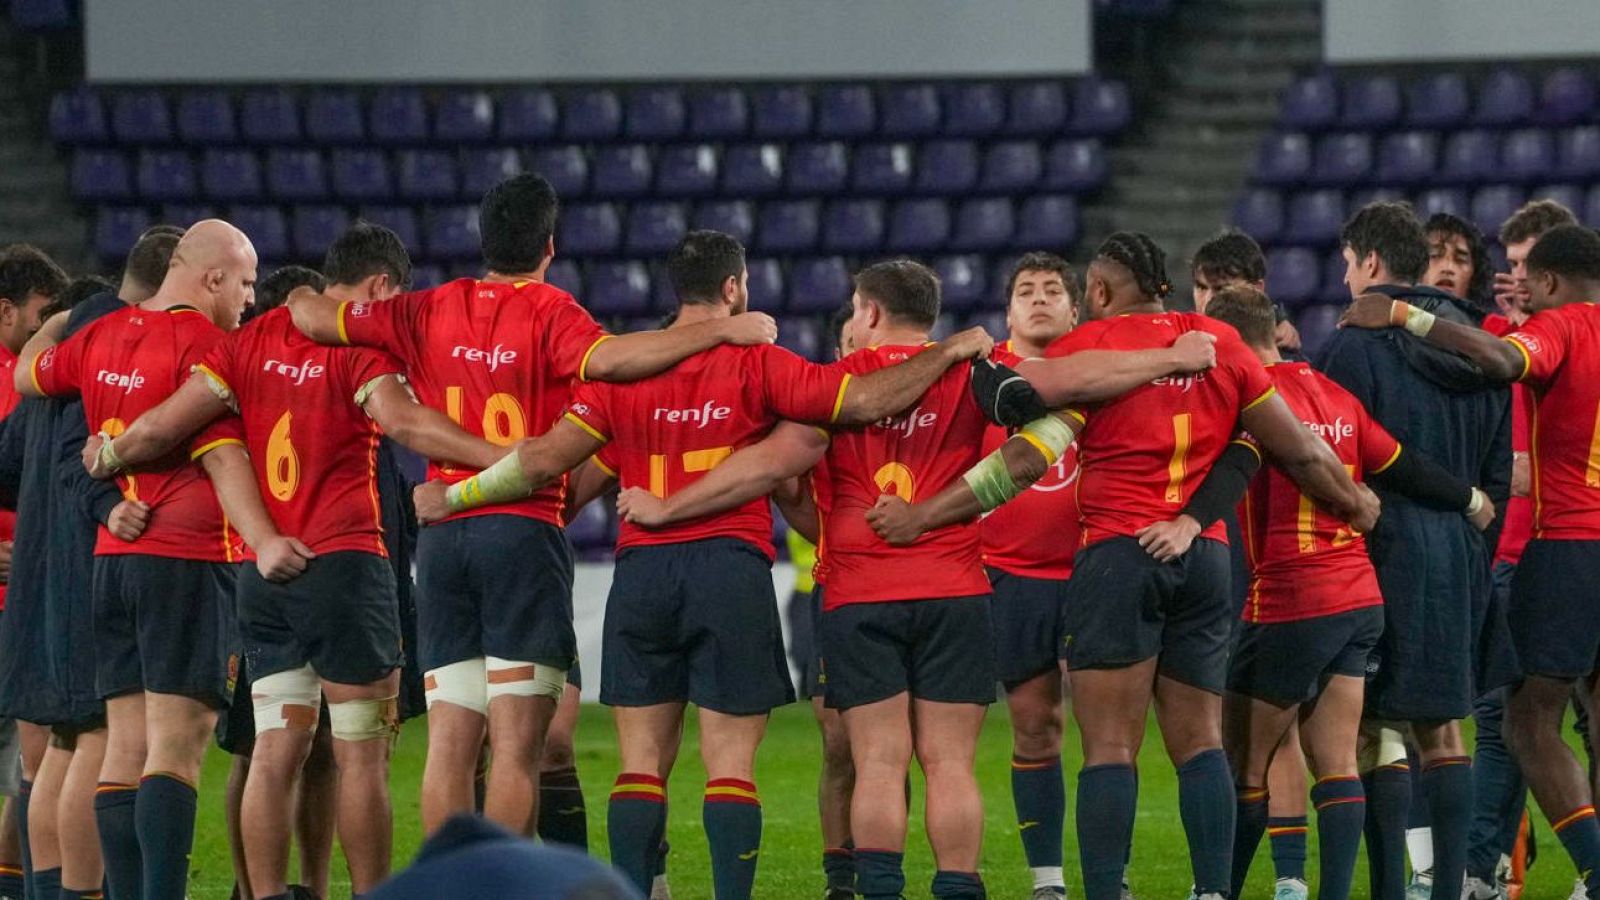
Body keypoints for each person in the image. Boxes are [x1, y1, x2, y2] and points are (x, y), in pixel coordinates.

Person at [608, 254, 1231, 899]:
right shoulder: (973, 377)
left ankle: (879, 890)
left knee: (878, 761)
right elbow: (1045, 427)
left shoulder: (833, 384)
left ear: (870, 313)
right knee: (950, 763)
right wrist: (1167, 361)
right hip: (956, 588)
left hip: (859, 594)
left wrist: (677, 507)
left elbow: (776, 468)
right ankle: (959, 888)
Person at [411, 235, 1008, 897]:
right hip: (731, 567)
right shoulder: (764, 366)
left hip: (643, 574)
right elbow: (857, 403)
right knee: (731, 766)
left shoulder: (622, 374)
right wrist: (948, 349)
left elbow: (553, 470)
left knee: (639, 763)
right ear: (734, 288)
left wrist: (457, 494)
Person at [862, 234, 1376, 900]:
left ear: (1096, 293)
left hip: (1119, 552)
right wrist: (1355, 501)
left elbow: (1022, 460)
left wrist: (922, 516)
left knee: (1109, 747)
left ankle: (1106, 890)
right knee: (1199, 743)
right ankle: (1212, 892)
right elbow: (1299, 451)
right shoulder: (1217, 342)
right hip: (1204, 556)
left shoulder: (1090, 352)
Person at [285, 175, 784, 839]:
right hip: (520, 535)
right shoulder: (553, 314)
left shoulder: (427, 309)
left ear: (483, 240)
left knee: (451, 746)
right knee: (519, 750)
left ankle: (455, 888)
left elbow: (315, 317)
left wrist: (292, 293)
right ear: (550, 246)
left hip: (444, 543)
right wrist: (721, 332)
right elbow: (618, 361)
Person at [82, 223, 503, 900]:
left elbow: (162, 425)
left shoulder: (246, 342)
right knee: (361, 753)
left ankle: (267, 895)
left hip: (265, 571)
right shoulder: (357, 348)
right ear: (378, 288)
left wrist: (107, 456)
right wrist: (506, 459)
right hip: (344, 565)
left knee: (275, 750)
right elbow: (406, 425)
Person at [1185, 285, 1491, 900]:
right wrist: (1471, 497)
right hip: (1358, 598)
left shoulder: (1248, 398)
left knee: (1245, 764)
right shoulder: (1337, 396)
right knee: (1340, 760)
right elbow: (1398, 462)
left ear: (1227, 341)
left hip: (1288, 601)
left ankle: (1216, 891)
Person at [1341, 222, 1600, 900]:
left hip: (1570, 543)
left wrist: (1402, 312)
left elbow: (1504, 361)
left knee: (1524, 721)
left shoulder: (1565, 326)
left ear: (1545, 282)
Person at [14, 220, 257, 900]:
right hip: (185, 551)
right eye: (243, 282)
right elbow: (169, 429)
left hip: (111, 561)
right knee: (177, 744)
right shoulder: (210, 345)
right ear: (211, 279)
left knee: (124, 743)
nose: (249, 297)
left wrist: (61, 318)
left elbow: (33, 373)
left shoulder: (98, 336)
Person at [1318, 201, 1513, 900]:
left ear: (1370, 262)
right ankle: (1451, 888)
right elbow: (1500, 472)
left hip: (1380, 547)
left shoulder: (1351, 342)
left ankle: (1387, 891)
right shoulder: (1475, 343)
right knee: (1444, 727)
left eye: (1347, 264)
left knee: (1370, 725)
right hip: (1461, 548)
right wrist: (1474, 535)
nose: (1346, 278)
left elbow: (1335, 457)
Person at [1191, 228, 1317, 895]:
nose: (1210, 301)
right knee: (1228, 731)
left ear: (1258, 294)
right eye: (1204, 287)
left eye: (1223, 288)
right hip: (1216, 557)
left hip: (1269, 559)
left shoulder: (1282, 366)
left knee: (1272, 725)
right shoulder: (1192, 362)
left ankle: (1284, 878)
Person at [974, 252, 1083, 900]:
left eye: (1052, 290)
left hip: (1093, 569)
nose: (1039, 299)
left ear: (1075, 306)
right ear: (1008, 311)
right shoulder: (983, 380)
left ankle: (1111, 874)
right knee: (1035, 722)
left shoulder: (1099, 371)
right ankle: (1047, 880)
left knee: (1109, 732)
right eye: (1025, 291)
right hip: (1009, 575)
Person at [0, 245, 68, 900]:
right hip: (19, 595)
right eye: (44, 314)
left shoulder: (34, 378)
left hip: (24, 600)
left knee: (32, 766)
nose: (52, 329)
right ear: (7, 310)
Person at [1191, 229, 1301, 354]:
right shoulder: (1178, 341)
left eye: (1222, 289)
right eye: (1201, 287)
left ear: (1257, 289)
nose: (1207, 302)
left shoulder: (1282, 352)